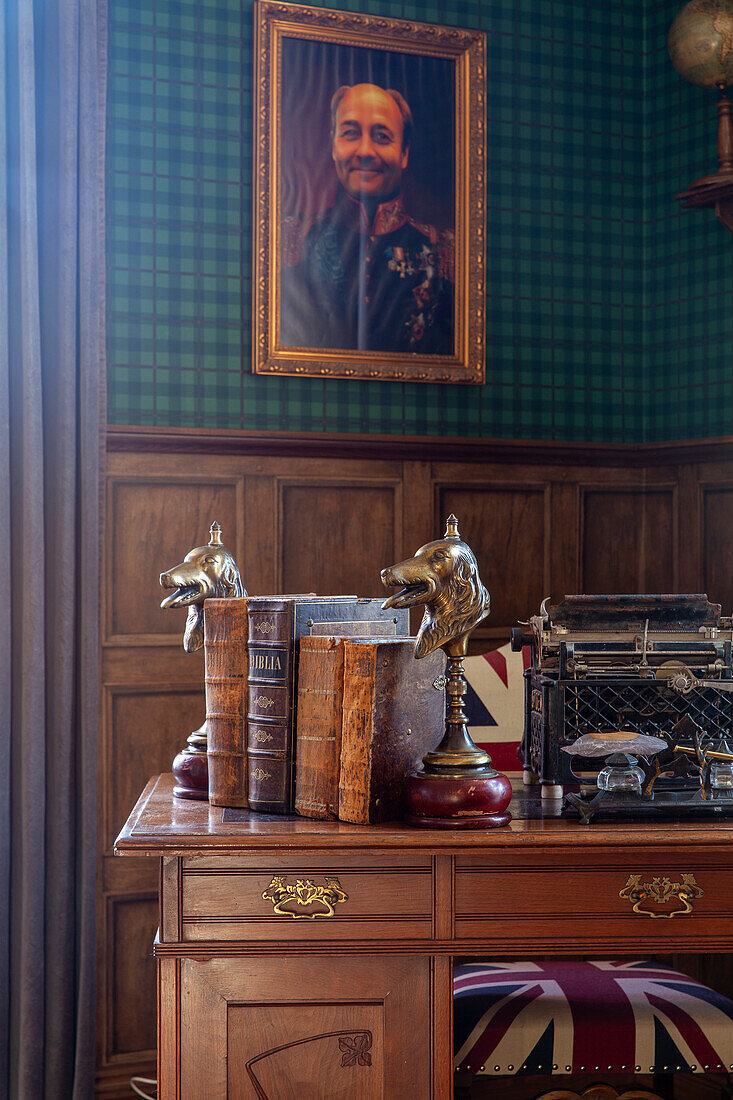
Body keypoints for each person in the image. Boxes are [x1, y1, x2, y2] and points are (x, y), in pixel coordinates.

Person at [281, 82, 454, 354]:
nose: (364, 151)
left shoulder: (445, 251)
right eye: (350, 133)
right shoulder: (294, 241)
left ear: (404, 152)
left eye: (382, 137)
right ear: (333, 144)